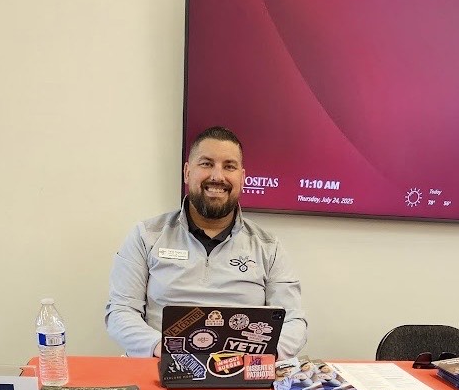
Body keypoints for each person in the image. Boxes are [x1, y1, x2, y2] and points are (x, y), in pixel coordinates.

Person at [104, 126, 308, 359]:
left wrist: (260, 357)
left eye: (229, 166)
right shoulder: (146, 236)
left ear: (242, 178)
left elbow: (293, 320)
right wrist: (162, 348)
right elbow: (120, 311)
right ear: (187, 172)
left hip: (242, 373)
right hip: (159, 367)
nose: (217, 176)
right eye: (206, 164)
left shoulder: (268, 247)